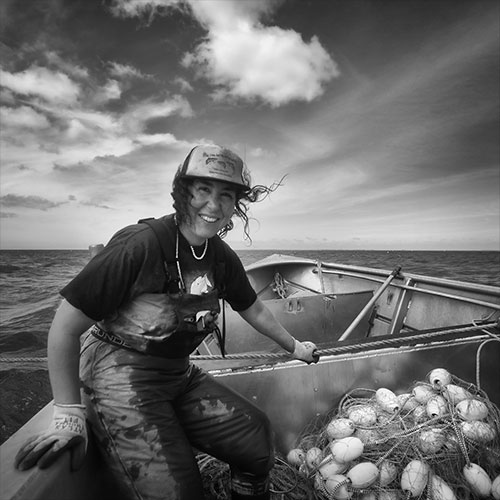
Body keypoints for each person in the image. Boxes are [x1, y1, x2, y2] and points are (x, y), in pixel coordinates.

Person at [14, 144, 319, 500]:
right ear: (182, 192)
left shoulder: (220, 257)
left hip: (177, 373)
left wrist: (295, 347)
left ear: (237, 204)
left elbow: (254, 308)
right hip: (117, 376)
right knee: (176, 490)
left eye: (226, 195)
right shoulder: (140, 245)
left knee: (254, 439)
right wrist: (69, 414)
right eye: (203, 190)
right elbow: (64, 329)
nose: (214, 205)